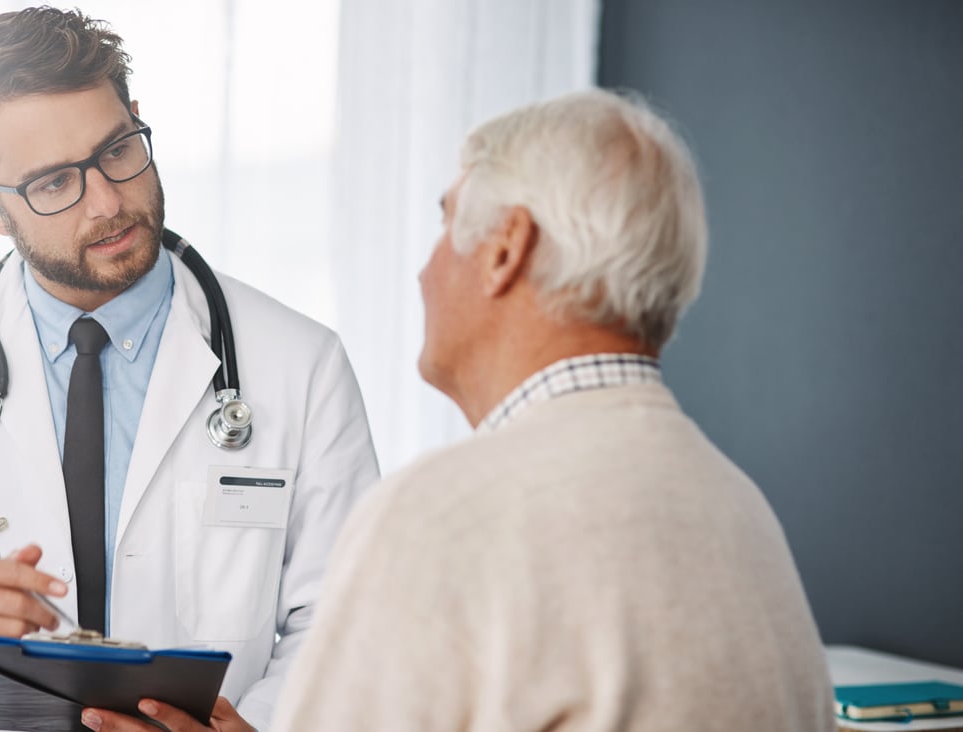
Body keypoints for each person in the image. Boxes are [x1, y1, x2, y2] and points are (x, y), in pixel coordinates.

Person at [0, 7, 378, 731]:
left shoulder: (301, 363)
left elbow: (352, 616)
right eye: (51, 184)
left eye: (118, 149)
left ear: (138, 119)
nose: (107, 201)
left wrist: (254, 727)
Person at [269, 89, 836, 732]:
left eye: (444, 221)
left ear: (507, 248)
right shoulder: (742, 512)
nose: (425, 271)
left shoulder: (441, 515)